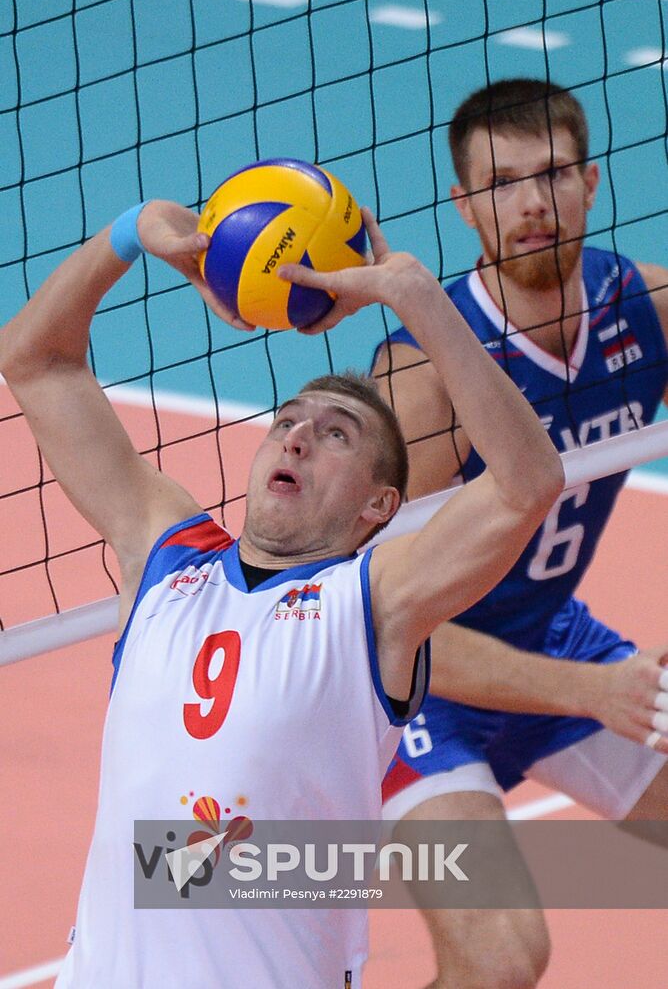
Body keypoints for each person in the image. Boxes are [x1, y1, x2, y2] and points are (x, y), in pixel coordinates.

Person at [0, 198, 561, 988]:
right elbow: (35, 362)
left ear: (379, 506)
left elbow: (527, 483)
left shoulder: (371, 602)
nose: (296, 436)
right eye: (288, 421)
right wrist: (130, 233)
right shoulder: (166, 557)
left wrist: (413, 295)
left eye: (335, 435)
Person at [372, 78, 668, 989]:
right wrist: (592, 691)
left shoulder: (646, 307)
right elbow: (379, 627)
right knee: (501, 960)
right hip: (413, 696)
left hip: (548, 637)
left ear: (592, 181)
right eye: (502, 184)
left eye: (554, 174)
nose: (533, 202)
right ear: (463, 205)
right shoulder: (424, 376)